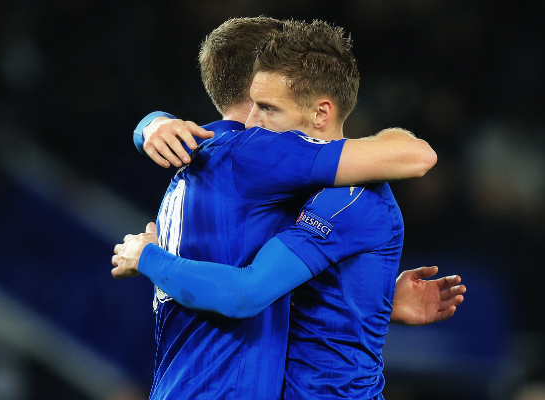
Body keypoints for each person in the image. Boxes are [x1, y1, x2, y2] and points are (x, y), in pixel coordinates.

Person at [113, 18, 456, 399]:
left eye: (268, 108)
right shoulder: (250, 163)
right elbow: (253, 289)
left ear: (321, 113)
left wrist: (372, 301)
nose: (253, 123)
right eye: (255, 105)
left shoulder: (202, 163)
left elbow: (251, 291)